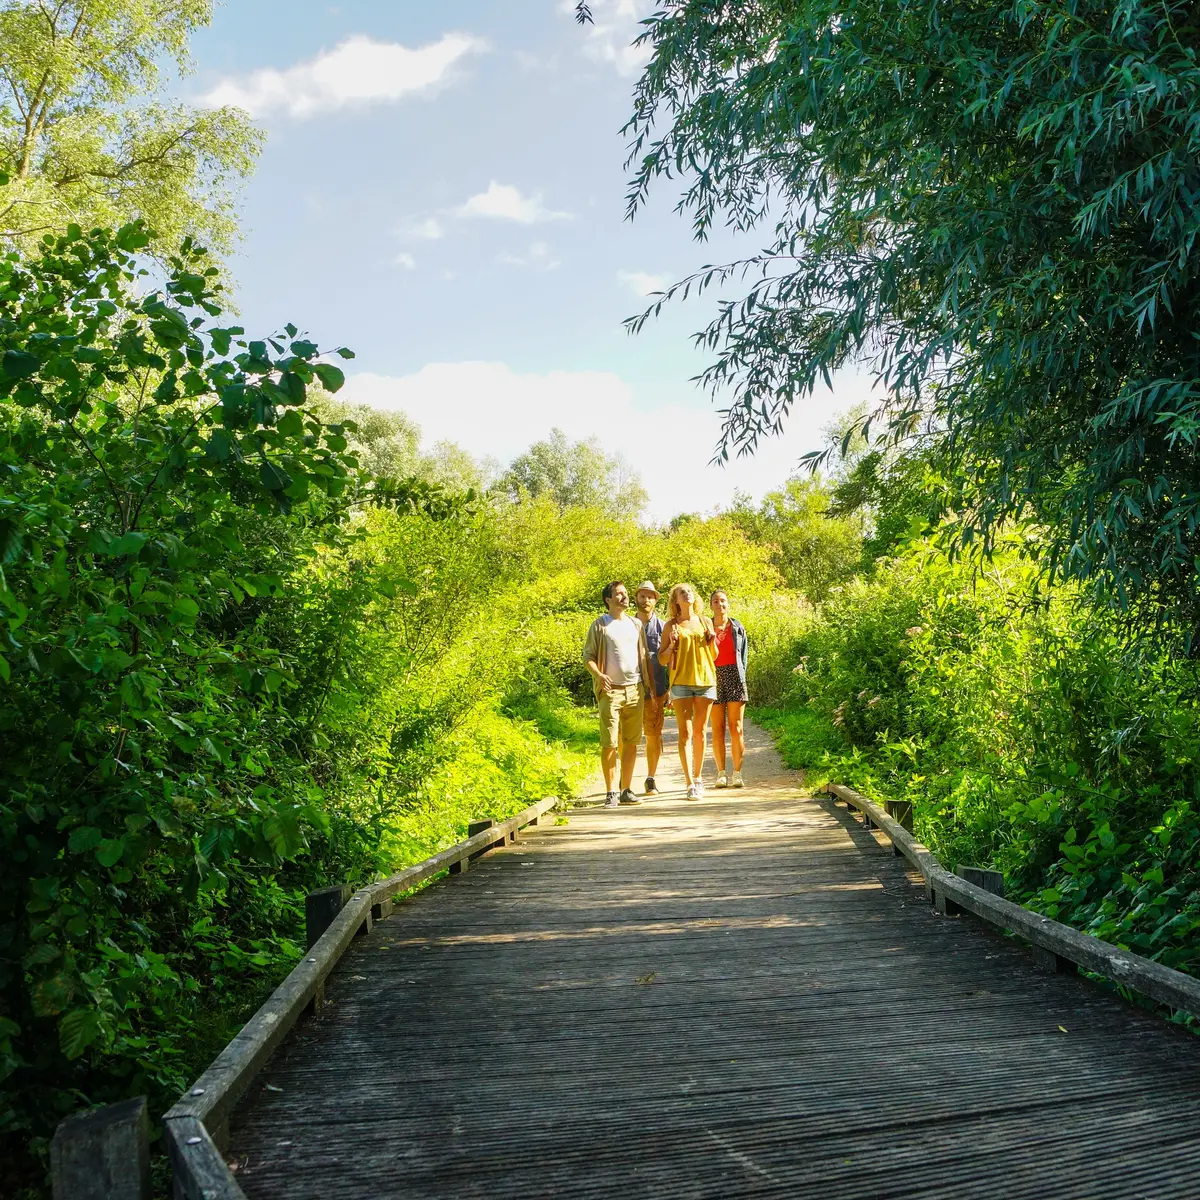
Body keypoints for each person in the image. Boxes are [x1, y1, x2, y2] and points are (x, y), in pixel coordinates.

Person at [583, 579, 654, 807]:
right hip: (610, 691)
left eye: (625, 593)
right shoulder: (600, 625)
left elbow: (643, 657)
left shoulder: (635, 625)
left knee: (632, 742)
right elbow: (588, 658)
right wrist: (599, 675)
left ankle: (626, 789)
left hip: (635, 689)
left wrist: (648, 686)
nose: (624, 597)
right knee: (610, 743)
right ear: (608, 599)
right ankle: (611, 791)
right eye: (619, 594)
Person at [658, 583, 717, 800]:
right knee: (685, 733)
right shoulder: (670, 626)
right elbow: (662, 659)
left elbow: (714, 655)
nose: (688, 594)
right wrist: (672, 645)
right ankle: (689, 783)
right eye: (682, 593)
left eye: (690, 591)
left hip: (705, 680)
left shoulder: (705, 621)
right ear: (676, 601)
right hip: (681, 682)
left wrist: (711, 640)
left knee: (701, 733)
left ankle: (699, 778)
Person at [709, 588, 749, 788]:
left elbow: (744, 656)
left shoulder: (737, 627)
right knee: (717, 728)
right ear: (711, 605)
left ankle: (737, 773)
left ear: (728, 604)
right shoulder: (705, 627)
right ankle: (721, 773)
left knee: (737, 727)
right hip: (713, 677)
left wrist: (742, 678)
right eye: (716, 601)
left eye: (723, 601)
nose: (720, 605)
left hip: (734, 675)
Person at [632, 581, 669, 795]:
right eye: (642, 596)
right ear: (636, 598)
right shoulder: (626, 624)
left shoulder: (663, 627)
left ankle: (651, 778)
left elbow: (672, 659)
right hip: (629, 687)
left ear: (656, 600)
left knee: (654, 735)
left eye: (650, 597)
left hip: (656, 690)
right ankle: (624, 780)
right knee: (626, 736)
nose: (646, 600)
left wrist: (672, 688)